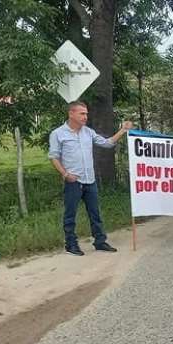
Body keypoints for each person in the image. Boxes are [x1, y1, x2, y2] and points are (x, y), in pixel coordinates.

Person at [48, 101, 133, 256]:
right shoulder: (58, 134)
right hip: (74, 181)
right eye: (82, 113)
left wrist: (123, 130)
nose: (85, 117)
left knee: (95, 213)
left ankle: (100, 241)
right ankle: (71, 245)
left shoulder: (88, 132)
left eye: (86, 113)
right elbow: (53, 156)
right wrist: (65, 174)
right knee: (70, 214)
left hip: (90, 180)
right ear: (71, 114)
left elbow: (107, 143)